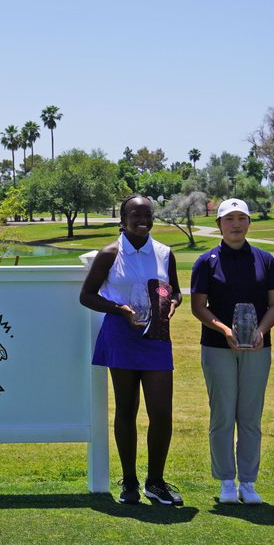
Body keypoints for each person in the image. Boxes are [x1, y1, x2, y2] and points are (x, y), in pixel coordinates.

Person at [79, 194, 183, 505]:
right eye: (135, 214)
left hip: (156, 339)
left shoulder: (165, 253)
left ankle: (156, 481)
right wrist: (119, 309)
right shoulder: (110, 254)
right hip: (121, 337)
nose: (142, 220)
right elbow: (86, 296)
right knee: (126, 409)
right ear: (122, 219)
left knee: (161, 413)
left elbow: (175, 291)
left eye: (147, 214)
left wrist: (173, 304)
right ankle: (130, 482)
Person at [189, 198, 274, 505]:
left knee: (250, 417)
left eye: (241, 218)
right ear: (218, 225)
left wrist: (260, 331)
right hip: (218, 347)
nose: (236, 224)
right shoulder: (206, 261)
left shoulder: (265, 260)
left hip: (258, 346)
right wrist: (225, 330)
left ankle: (248, 482)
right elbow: (198, 307)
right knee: (223, 415)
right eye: (229, 219)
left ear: (249, 223)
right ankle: (226, 481)